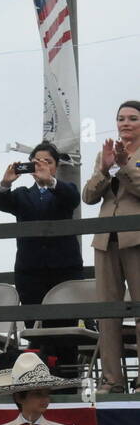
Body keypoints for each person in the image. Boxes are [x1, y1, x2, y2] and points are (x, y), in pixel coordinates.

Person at [0, 141, 84, 373]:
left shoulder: (65, 188)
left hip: (64, 269)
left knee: (65, 327)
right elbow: (1, 202)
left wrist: (50, 182)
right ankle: (38, 377)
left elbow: (72, 200)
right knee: (36, 328)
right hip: (30, 271)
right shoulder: (22, 194)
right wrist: (6, 182)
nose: (42, 166)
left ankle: (68, 378)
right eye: (36, 162)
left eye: (48, 162)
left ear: (55, 167)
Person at [82, 100, 140, 392]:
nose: (125, 123)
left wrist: (126, 165)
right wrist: (105, 169)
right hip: (106, 240)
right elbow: (89, 196)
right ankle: (112, 379)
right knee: (107, 312)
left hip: (137, 239)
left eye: (132, 118)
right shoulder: (104, 154)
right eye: (121, 118)